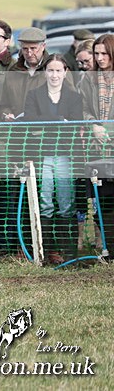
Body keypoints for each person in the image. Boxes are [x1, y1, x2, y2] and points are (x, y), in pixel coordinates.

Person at [24, 54, 83, 265]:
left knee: (66, 203)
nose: (54, 75)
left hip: (65, 155)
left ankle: (68, 252)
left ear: (65, 72)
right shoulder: (34, 95)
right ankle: (47, 250)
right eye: (50, 70)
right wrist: (58, 120)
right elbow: (30, 122)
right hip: (43, 155)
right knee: (45, 200)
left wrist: (46, 126)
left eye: (58, 70)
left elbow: (74, 127)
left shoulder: (74, 97)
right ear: (45, 72)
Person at [80, 33, 114, 252]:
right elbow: (82, 109)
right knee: (103, 200)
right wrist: (93, 124)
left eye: (104, 54)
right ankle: (108, 249)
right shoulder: (88, 80)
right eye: (97, 53)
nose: (100, 58)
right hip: (98, 147)